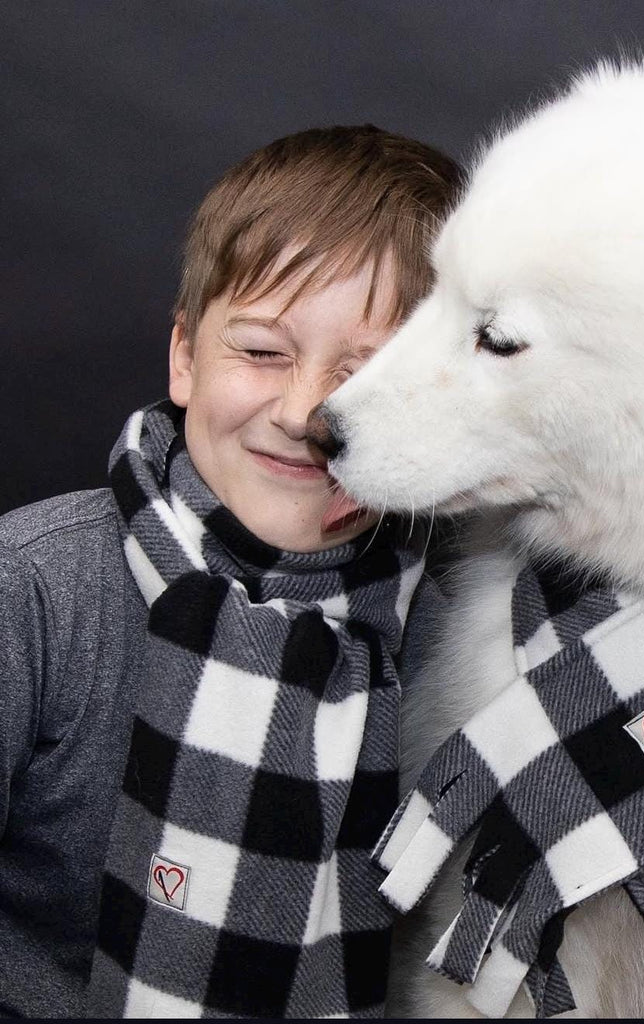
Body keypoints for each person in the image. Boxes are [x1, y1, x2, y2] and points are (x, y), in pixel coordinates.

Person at [0, 125, 463, 1018]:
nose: (304, 413)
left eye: (366, 376)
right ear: (184, 356)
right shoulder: (33, 592)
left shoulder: (451, 648)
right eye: (260, 352)